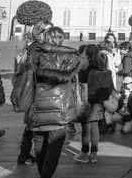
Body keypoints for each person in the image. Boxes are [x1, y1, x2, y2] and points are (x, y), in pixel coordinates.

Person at [24, 24, 83, 178]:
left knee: (39, 144)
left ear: (46, 37)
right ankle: (45, 176)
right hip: (60, 108)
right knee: (54, 147)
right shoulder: (72, 57)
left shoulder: (35, 55)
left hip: (37, 106)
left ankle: (43, 174)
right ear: (61, 39)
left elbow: (25, 77)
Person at [17, 20, 53, 166]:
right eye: (47, 31)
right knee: (35, 126)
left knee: (30, 125)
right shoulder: (37, 49)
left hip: (36, 91)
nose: (50, 34)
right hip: (35, 91)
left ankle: (24, 154)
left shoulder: (35, 47)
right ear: (40, 32)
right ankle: (34, 157)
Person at [74, 45, 114, 164]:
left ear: (86, 53)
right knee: (95, 127)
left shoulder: (84, 67)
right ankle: (94, 154)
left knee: (86, 128)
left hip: (86, 99)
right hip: (99, 100)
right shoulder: (101, 65)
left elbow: (80, 83)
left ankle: (84, 153)